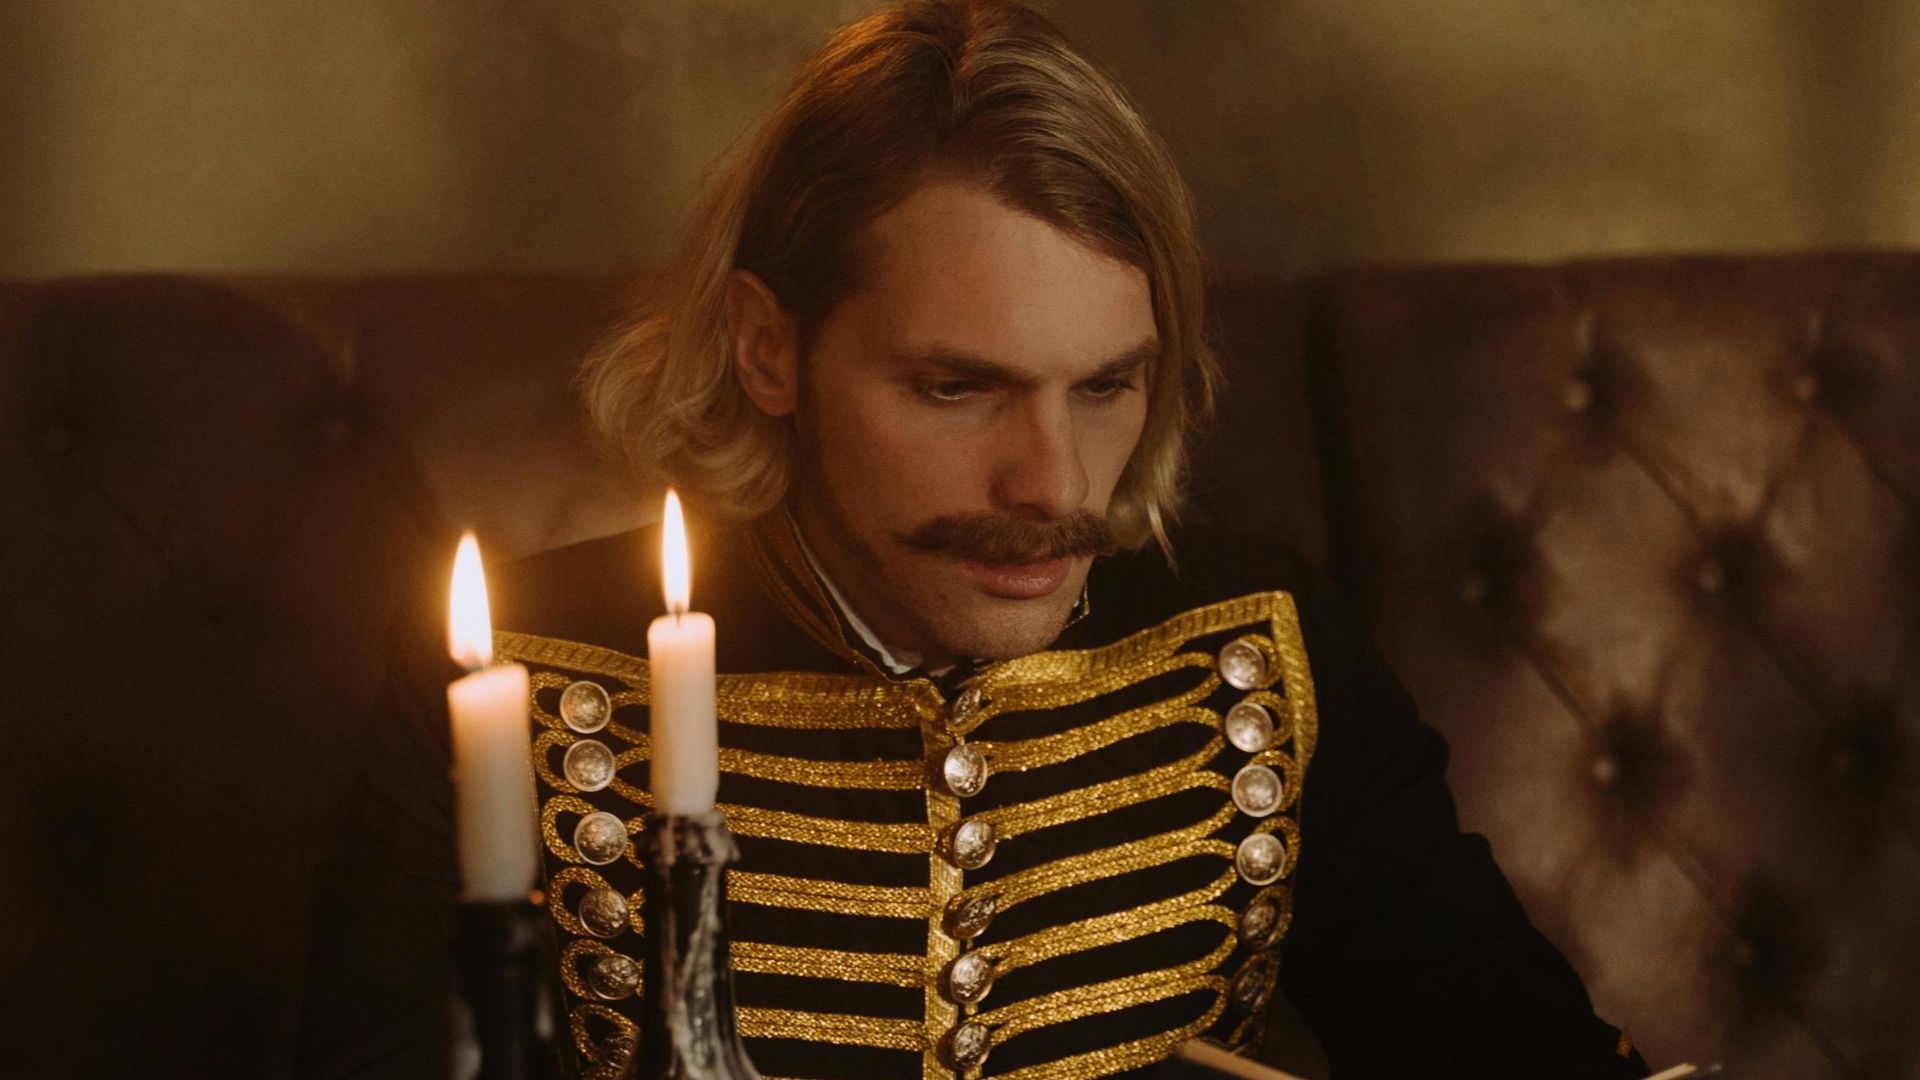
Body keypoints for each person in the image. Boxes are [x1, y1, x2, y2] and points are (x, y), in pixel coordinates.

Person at [296, 2, 1649, 1077]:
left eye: (1107, 386)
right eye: (959, 388)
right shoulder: (509, 683)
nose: (1055, 485)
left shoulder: (1265, 644)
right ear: (771, 350)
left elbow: (1513, 1051)